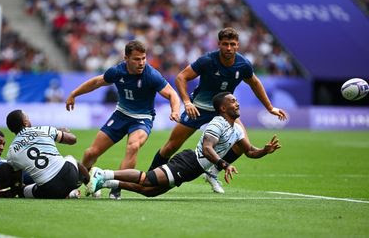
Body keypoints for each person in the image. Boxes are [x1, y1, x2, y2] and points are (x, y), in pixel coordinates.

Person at [147, 27, 287, 193]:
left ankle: (212, 173)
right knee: (171, 146)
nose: (229, 48)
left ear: (238, 46)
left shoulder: (243, 64)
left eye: (232, 44)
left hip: (224, 111)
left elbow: (255, 83)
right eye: (225, 44)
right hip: (198, 108)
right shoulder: (207, 60)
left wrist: (270, 108)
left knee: (242, 144)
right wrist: (187, 102)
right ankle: (149, 178)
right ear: (219, 44)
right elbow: (181, 77)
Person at [87, 92, 281, 197]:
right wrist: (224, 165)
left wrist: (265, 150)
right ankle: (102, 173)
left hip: (194, 169)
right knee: (147, 179)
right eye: (232, 101)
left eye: (237, 101)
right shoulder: (217, 123)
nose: (237, 103)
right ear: (223, 108)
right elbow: (207, 148)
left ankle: (107, 182)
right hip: (188, 162)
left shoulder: (237, 129)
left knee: (149, 192)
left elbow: (250, 152)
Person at [65, 40, 180, 199]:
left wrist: (175, 110)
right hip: (121, 114)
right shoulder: (117, 71)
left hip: (142, 118)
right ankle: (79, 183)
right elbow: (97, 82)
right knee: (91, 152)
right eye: (136, 59)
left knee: (133, 146)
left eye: (143, 58)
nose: (141, 63)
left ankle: (116, 187)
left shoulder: (151, 75)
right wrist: (74, 94)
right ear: (126, 58)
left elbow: (172, 94)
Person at [6, 109, 90, 199]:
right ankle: (90, 184)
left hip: (49, 191)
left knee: (22, 191)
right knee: (70, 158)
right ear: (25, 122)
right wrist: (64, 132)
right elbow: (72, 140)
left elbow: (17, 182)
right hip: (69, 177)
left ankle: (68, 194)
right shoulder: (43, 129)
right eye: (28, 118)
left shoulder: (11, 152)